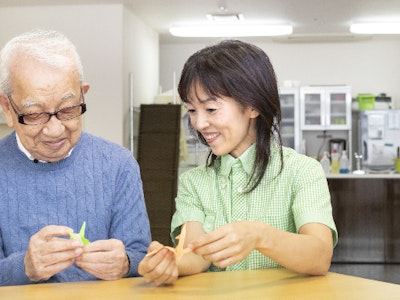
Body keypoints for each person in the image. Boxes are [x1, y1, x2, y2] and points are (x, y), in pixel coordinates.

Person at [138, 40, 338, 286]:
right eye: (192, 110)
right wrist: (169, 262)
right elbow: (196, 254)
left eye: (211, 109)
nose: (199, 124)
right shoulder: (194, 182)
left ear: (253, 105)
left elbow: (319, 255)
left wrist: (258, 236)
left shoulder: (302, 171)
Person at [0, 29, 151, 286]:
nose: (55, 130)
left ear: (83, 94)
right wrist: (24, 266)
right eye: (35, 114)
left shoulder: (118, 165)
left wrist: (126, 262)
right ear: (7, 109)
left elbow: (143, 257)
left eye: (69, 110)